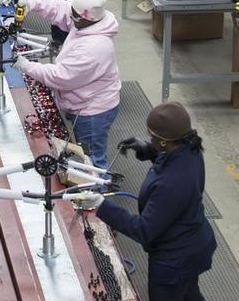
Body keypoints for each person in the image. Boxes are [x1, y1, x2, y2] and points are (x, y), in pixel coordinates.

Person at [72, 102, 217, 301]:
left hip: (174, 261)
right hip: (193, 244)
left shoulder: (170, 186)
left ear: (165, 141)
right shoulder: (190, 149)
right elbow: (170, 159)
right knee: (189, 294)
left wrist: (101, 205)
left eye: (153, 137)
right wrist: (147, 149)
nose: (150, 138)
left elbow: (144, 231)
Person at [14, 0, 120, 169]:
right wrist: (32, 3)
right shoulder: (85, 18)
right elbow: (62, 8)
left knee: (92, 160)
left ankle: (99, 194)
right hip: (82, 98)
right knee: (85, 152)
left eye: (75, 17)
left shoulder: (95, 47)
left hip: (93, 110)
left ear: (89, 19)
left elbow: (60, 77)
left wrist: (27, 66)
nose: (70, 18)